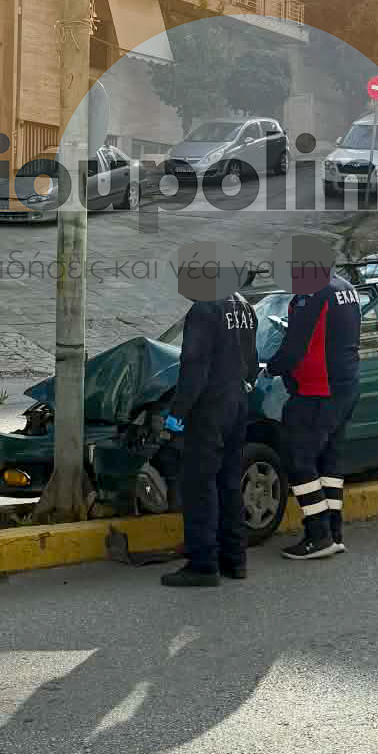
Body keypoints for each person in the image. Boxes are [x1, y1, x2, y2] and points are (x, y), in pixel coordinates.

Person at [160, 243, 259, 590]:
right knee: (229, 483)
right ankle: (235, 559)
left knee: (199, 486)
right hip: (237, 406)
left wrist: (177, 414)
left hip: (209, 410)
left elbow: (194, 368)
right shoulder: (243, 306)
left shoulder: (204, 309)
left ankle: (203, 565)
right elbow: (252, 364)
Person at [266, 233, 361, 560]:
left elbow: (295, 347)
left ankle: (317, 535)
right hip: (346, 386)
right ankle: (334, 531)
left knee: (299, 459)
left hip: (317, 390)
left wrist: (270, 368)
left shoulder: (311, 294)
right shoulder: (345, 288)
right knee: (330, 462)